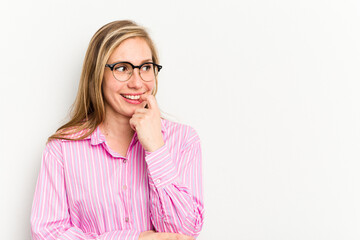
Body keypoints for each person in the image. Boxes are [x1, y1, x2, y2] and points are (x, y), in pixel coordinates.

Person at [30, 20, 204, 240]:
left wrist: (156, 148)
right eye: (122, 68)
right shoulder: (62, 150)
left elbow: (185, 233)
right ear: (97, 75)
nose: (137, 82)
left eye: (146, 68)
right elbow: (47, 233)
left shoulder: (184, 140)